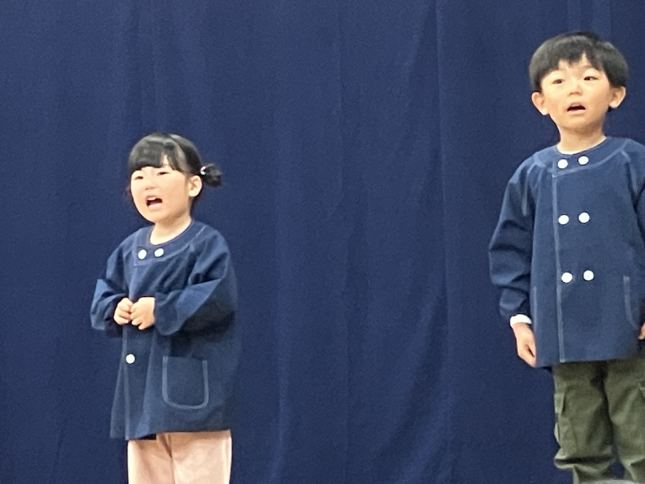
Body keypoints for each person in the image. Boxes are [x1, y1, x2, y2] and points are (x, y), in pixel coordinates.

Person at [489, 32, 645, 483]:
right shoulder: (532, 174)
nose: (574, 89)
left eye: (589, 77)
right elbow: (511, 249)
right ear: (540, 102)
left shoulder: (633, 161)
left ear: (615, 94)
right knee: (579, 443)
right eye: (558, 81)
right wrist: (519, 318)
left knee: (640, 436)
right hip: (562, 332)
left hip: (629, 328)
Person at [90, 133, 239, 484]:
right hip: (141, 401)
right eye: (139, 176)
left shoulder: (205, 244)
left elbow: (217, 299)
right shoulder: (129, 249)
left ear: (193, 185)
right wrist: (115, 308)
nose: (148, 183)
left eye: (161, 173)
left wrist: (160, 309)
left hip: (194, 404)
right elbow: (104, 295)